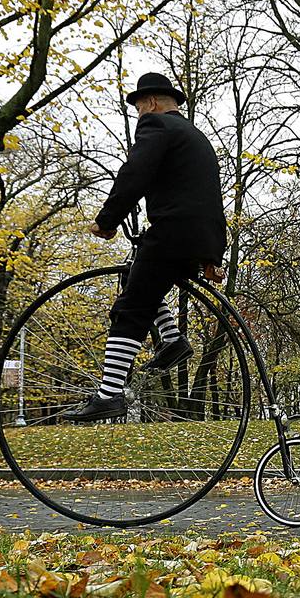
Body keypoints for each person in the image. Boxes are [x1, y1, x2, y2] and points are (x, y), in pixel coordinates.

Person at [63, 72, 228, 421]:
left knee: (130, 308)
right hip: (197, 238)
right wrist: (213, 255)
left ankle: (108, 393)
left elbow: (134, 173)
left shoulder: (156, 126)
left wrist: (107, 220)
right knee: (139, 283)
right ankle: (171, 339)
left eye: (138, 107)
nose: (139, 113)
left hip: (171, 232)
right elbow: (209, 197)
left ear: (151, 103)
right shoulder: (195, 135)